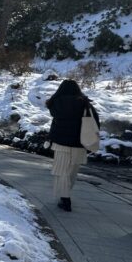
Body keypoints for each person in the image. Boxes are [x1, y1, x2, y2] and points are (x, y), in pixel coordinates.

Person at [46, 79, 100, 212]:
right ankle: (66, 196)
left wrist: (50, 138)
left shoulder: (56, 104)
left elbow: (55, 123)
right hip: (79, 143)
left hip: (61, 144)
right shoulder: (84, 103)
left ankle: (65, 198)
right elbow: (95, 122)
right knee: (72, 173)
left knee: (61, 172)